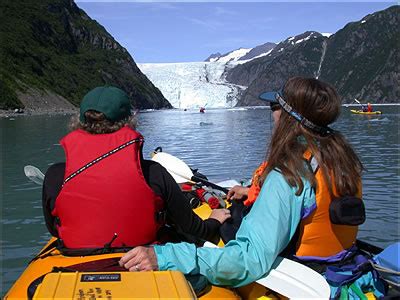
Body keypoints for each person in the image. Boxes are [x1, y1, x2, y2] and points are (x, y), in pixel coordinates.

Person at [119, 77, 385, 297]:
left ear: (288, 116)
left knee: (226, 226)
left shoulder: (290, 175)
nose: (272, 114)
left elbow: (249, 260)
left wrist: (167, 256)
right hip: (345, 275)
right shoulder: (343, 161)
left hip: (302, 281)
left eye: (274, 107)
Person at [42, 86, 231, 251]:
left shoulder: (55, 175)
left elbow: (54, 229)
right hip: (144, 259)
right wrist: (214, 219)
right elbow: (193, 228)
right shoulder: (153, 173)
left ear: (79, 121)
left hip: (75, 261)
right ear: (129, 121)